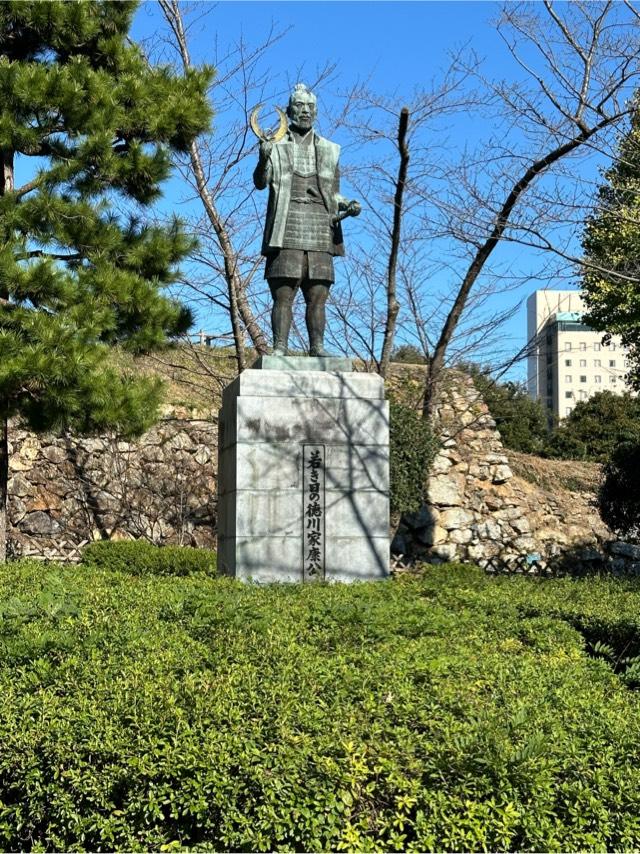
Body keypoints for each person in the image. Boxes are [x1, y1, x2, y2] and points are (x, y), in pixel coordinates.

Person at [253, 83, 361, 357]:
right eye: (299, 106)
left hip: (320, 226)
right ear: (288, 111)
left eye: (310, 107)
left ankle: (318, 347)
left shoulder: (330, 150)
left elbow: (333, 193)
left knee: (318, 295)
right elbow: (260, 183)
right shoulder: (275, 145)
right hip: (286, 225)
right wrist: (263, 159)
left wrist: (348, 203)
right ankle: (280, 347)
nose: (305, 112)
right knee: (283, 293)